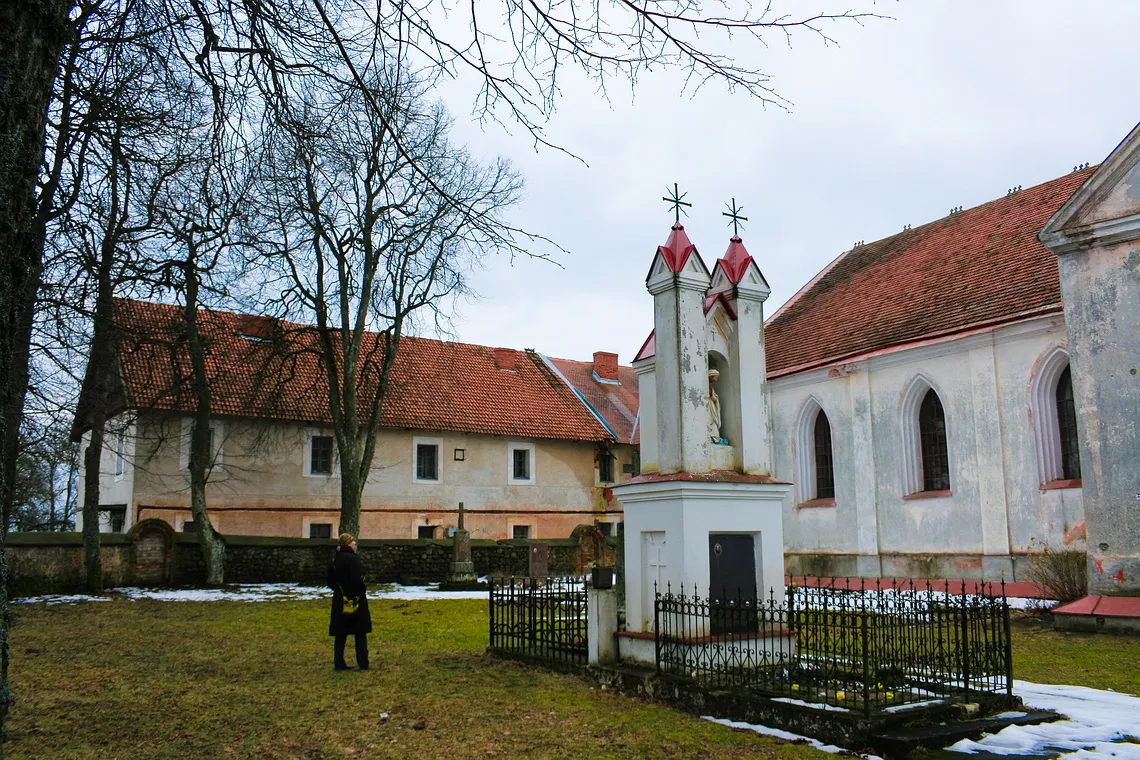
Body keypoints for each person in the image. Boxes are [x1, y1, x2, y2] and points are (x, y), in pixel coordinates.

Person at [327, 532, 371, 671]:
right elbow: (357, 580)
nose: (355, 544)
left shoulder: (335, 559)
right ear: (348, 544)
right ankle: (363, 662)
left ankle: (339, 663)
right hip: (354, 599)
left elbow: (330, 580)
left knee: (341, 633)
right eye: (353, 542)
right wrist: (362, 590)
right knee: (360, 632)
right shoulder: (352, 559)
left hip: (340, 599)